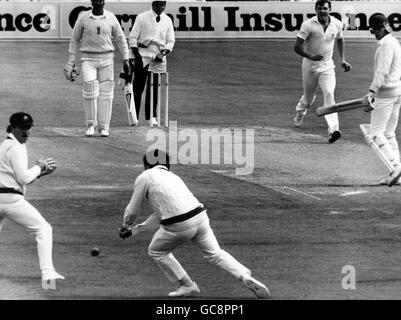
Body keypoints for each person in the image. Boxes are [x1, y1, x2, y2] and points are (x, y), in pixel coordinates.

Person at [119, 149, 271, 298]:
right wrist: (135, 231)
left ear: (146, 165)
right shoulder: (173, 177)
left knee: (157, 251)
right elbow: (162, 214)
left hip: (179, 225)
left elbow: (133, 210)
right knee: (216, 254)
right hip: (200, 218)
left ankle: (187, 285)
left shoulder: (145, 176)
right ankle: (244, 276)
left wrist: (127, 225)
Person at [0, 112, 64, 284]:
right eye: (22, 128)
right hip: (11, 200)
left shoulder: (7, 144)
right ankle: (48, 273)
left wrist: (40, 174)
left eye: (28, 128)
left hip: (4, 196)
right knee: (43, 229)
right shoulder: (15, 147)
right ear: (13, 128)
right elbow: (23, 179)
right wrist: (39, 166)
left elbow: (17, 179)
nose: (26, 132)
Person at [64, 0, 130, 137]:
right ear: (92, 2)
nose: (98, 2)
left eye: (101, 0)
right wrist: (71, 61)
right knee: (90, 90)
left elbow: (121, 39)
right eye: (96, 0)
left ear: (104, 2)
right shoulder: (83, 18)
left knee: (106, 93)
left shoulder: (111, 17)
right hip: (88, 58)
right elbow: (74, 39)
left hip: (107, 58)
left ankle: (104, 127)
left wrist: (126, 59)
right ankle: (90, 125)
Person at [293, 0, 352, 143]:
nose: (322, 11)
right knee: (309, 99)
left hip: (327, 66)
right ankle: (300, 111)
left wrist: (342, 59)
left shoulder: (337, 24)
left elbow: (340, 39)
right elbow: (297, 47)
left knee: (329, 93)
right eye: (320, 8)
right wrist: (311, 56)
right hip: (310, 65)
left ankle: (333, 130)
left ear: (330, 9)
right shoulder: (307, 24)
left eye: (325, 8)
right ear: (316, 9)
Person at [363, 14, 401, 186]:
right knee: (388, 133)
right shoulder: (394, 42)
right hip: (397, 92)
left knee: (375, 134)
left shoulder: (386, 44)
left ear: (384, 27)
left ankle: (395, 168)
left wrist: (371, 92)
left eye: (377, 29)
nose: (375, 33)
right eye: (373, 30)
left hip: (386, 94)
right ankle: (397, 169)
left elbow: (382, 72)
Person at [128, 1, 175, 126]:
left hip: (158, 59)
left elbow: (171, 41)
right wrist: (137, 57)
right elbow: (132, 38)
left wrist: (162, 54)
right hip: (142, 57)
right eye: (158, 5)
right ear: (152, 4)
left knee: (154, 89)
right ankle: (134, 117)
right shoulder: (142, 17)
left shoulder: (167, 20)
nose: (160, 7)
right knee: (138, 88)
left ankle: (152, 117)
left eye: (162, 5)